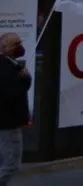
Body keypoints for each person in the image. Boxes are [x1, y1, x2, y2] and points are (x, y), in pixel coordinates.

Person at [0, 33, 31, 186]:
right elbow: (9, 93)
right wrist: (24, 80)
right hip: (8, 124)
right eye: (15, 44)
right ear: (4, 48)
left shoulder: (11, 64)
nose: (19, 46)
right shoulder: (5, 67)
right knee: (11, 164)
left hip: (6, 123)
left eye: (20, 42)